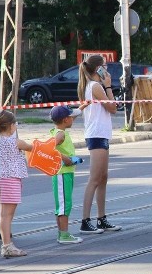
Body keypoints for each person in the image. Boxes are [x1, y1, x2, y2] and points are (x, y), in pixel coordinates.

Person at [77, 55, 120, 234]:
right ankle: (85, 221)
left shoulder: (93, 86)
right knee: (95, 179)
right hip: (96, 135)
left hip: (101, 134)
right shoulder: (95, 86)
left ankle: (101, 218)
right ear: (98, 69)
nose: (107, 69)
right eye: (105, 66)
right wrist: (108, 85)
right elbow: (113, 108)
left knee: (103, 177)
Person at [0, 110, 32, 258]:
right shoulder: (15, 142)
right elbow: (32, 148)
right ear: (11, 126)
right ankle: (7, 245)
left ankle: (6, 244)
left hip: (1, 179)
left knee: (3, 215)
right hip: (11, 180)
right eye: (15, 123)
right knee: (8, 216)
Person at [50, 106, 84, 244]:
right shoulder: (61, 134)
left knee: (63, 203)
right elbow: (49, 148)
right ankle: (64, 235)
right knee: (64, 204)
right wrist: (65, 158)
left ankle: (62, 233)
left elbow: (71, 117)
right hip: (62, 173)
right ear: (65, 119)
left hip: (65, 173)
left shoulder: (60, 129)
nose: (73, 119)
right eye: (71, 117)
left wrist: (82, 107)